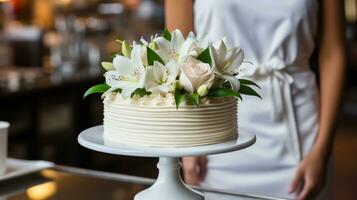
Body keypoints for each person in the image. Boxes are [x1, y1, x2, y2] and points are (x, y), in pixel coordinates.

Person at [165, 0, 345, 199]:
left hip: (300, 138)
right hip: (215, 135)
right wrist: (187, 144)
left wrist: (322, 151)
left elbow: (333, 53)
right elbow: (176, 52)